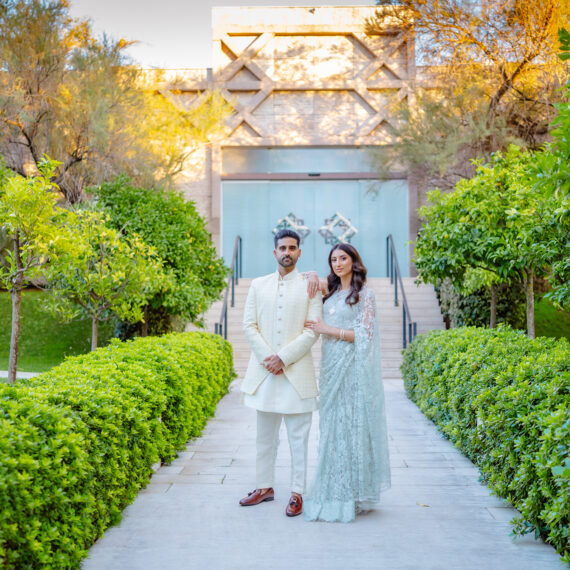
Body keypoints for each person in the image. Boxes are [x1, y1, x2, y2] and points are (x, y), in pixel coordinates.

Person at [303, 243, 391, 522]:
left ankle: (349, 494)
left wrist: (327, 329)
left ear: (354, 261)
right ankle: (333, 485)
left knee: (349, 428)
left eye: (343, 258)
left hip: (351, 369)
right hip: (329, 368)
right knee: (331, 427)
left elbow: (366, 334)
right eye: (333, 259)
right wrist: (313, 273)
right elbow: (305, 279)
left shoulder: (364, 295)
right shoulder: (330, 292)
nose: (338, 263)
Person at [239, 229, 323, 517]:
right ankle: (264, 487)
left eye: (292, 247)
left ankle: (297, 492)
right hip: (265, 373)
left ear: (299, 252)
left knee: (299, 439)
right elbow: (249, 325)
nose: (287, 252)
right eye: (283, 248)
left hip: (296, 373)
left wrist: (283, 358)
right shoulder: (258, 285)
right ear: (274, 252)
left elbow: (313, 331)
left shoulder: (311, 286)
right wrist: (269, 359)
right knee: (264, 437)